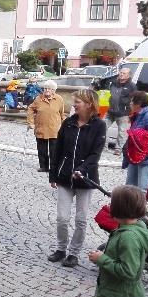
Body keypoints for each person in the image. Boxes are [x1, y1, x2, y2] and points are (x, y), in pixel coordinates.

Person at [46, 89, 107, 268]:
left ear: (89, 104)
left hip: (85, 180)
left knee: (81, 219)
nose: (74, 105)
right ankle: (60, 249)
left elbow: (95, 154)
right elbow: (57, 151)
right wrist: (53, 174)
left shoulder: (99, 125)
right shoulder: (68, 123)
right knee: (62, 218)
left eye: (78, 101)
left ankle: (74, 253)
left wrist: (82, 169)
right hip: (65, 177)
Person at [26, 80, 66, 173]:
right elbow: (30, 109)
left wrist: (65, 125)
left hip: (54, 128)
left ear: (54, 90)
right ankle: (43, 166)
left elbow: (62, 114)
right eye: (45, 88)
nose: (46, 90)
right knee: (42, 149)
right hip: (41, 127)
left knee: (54, 150)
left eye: (49, 88)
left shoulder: (59, 99)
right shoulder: (38, 98)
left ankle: (53, 167)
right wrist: (30, 122)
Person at [104, 67, 136, 155]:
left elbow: (134, 99)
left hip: (123, 113)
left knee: (122, 132)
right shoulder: (114, 83)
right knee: (103, 127)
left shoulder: (132, 86)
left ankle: (118, 149)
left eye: (124, 73)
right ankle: (104, 146)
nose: (121, 74)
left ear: (128, 76)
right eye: (121, 72)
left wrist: (131, 112)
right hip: (111, 111)